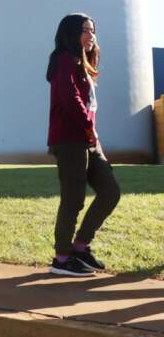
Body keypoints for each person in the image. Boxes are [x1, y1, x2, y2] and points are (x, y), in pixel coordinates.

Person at [47, 14, 120, 277]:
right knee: (73, 199)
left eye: (93, 31)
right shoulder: (64, 59)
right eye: (84, 31)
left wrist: (92, 133)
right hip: (69, 139)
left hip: (88, 138)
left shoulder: (82, 63)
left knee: (110, 191)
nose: (91, 36)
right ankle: (62, 258)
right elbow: (70, 99)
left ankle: (80, 247)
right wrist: (89, 128)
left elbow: (86, 103)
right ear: (70, 33)